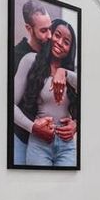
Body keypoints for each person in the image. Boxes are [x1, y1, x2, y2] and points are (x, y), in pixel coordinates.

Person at [12, 19, 79, 167]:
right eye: (57, 35)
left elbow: (93, 94)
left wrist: (77, 124)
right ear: (50, 35)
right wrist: (33, 128)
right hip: (39, 143)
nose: (60, 43)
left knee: (70, 188)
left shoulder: (72, 74)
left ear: (70, 49)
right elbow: (10, 106)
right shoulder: (30, 60)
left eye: (66, 42)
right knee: (37, 187)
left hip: (67, 146)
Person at [11, 0, 52, 164]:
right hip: (21, 139)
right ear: (29, 28)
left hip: (51, 143)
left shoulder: (54, 53)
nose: (49, 35)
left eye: (50, 28)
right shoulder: (16, 56)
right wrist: (33, 127)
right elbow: (9, 103)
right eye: (43, 30)